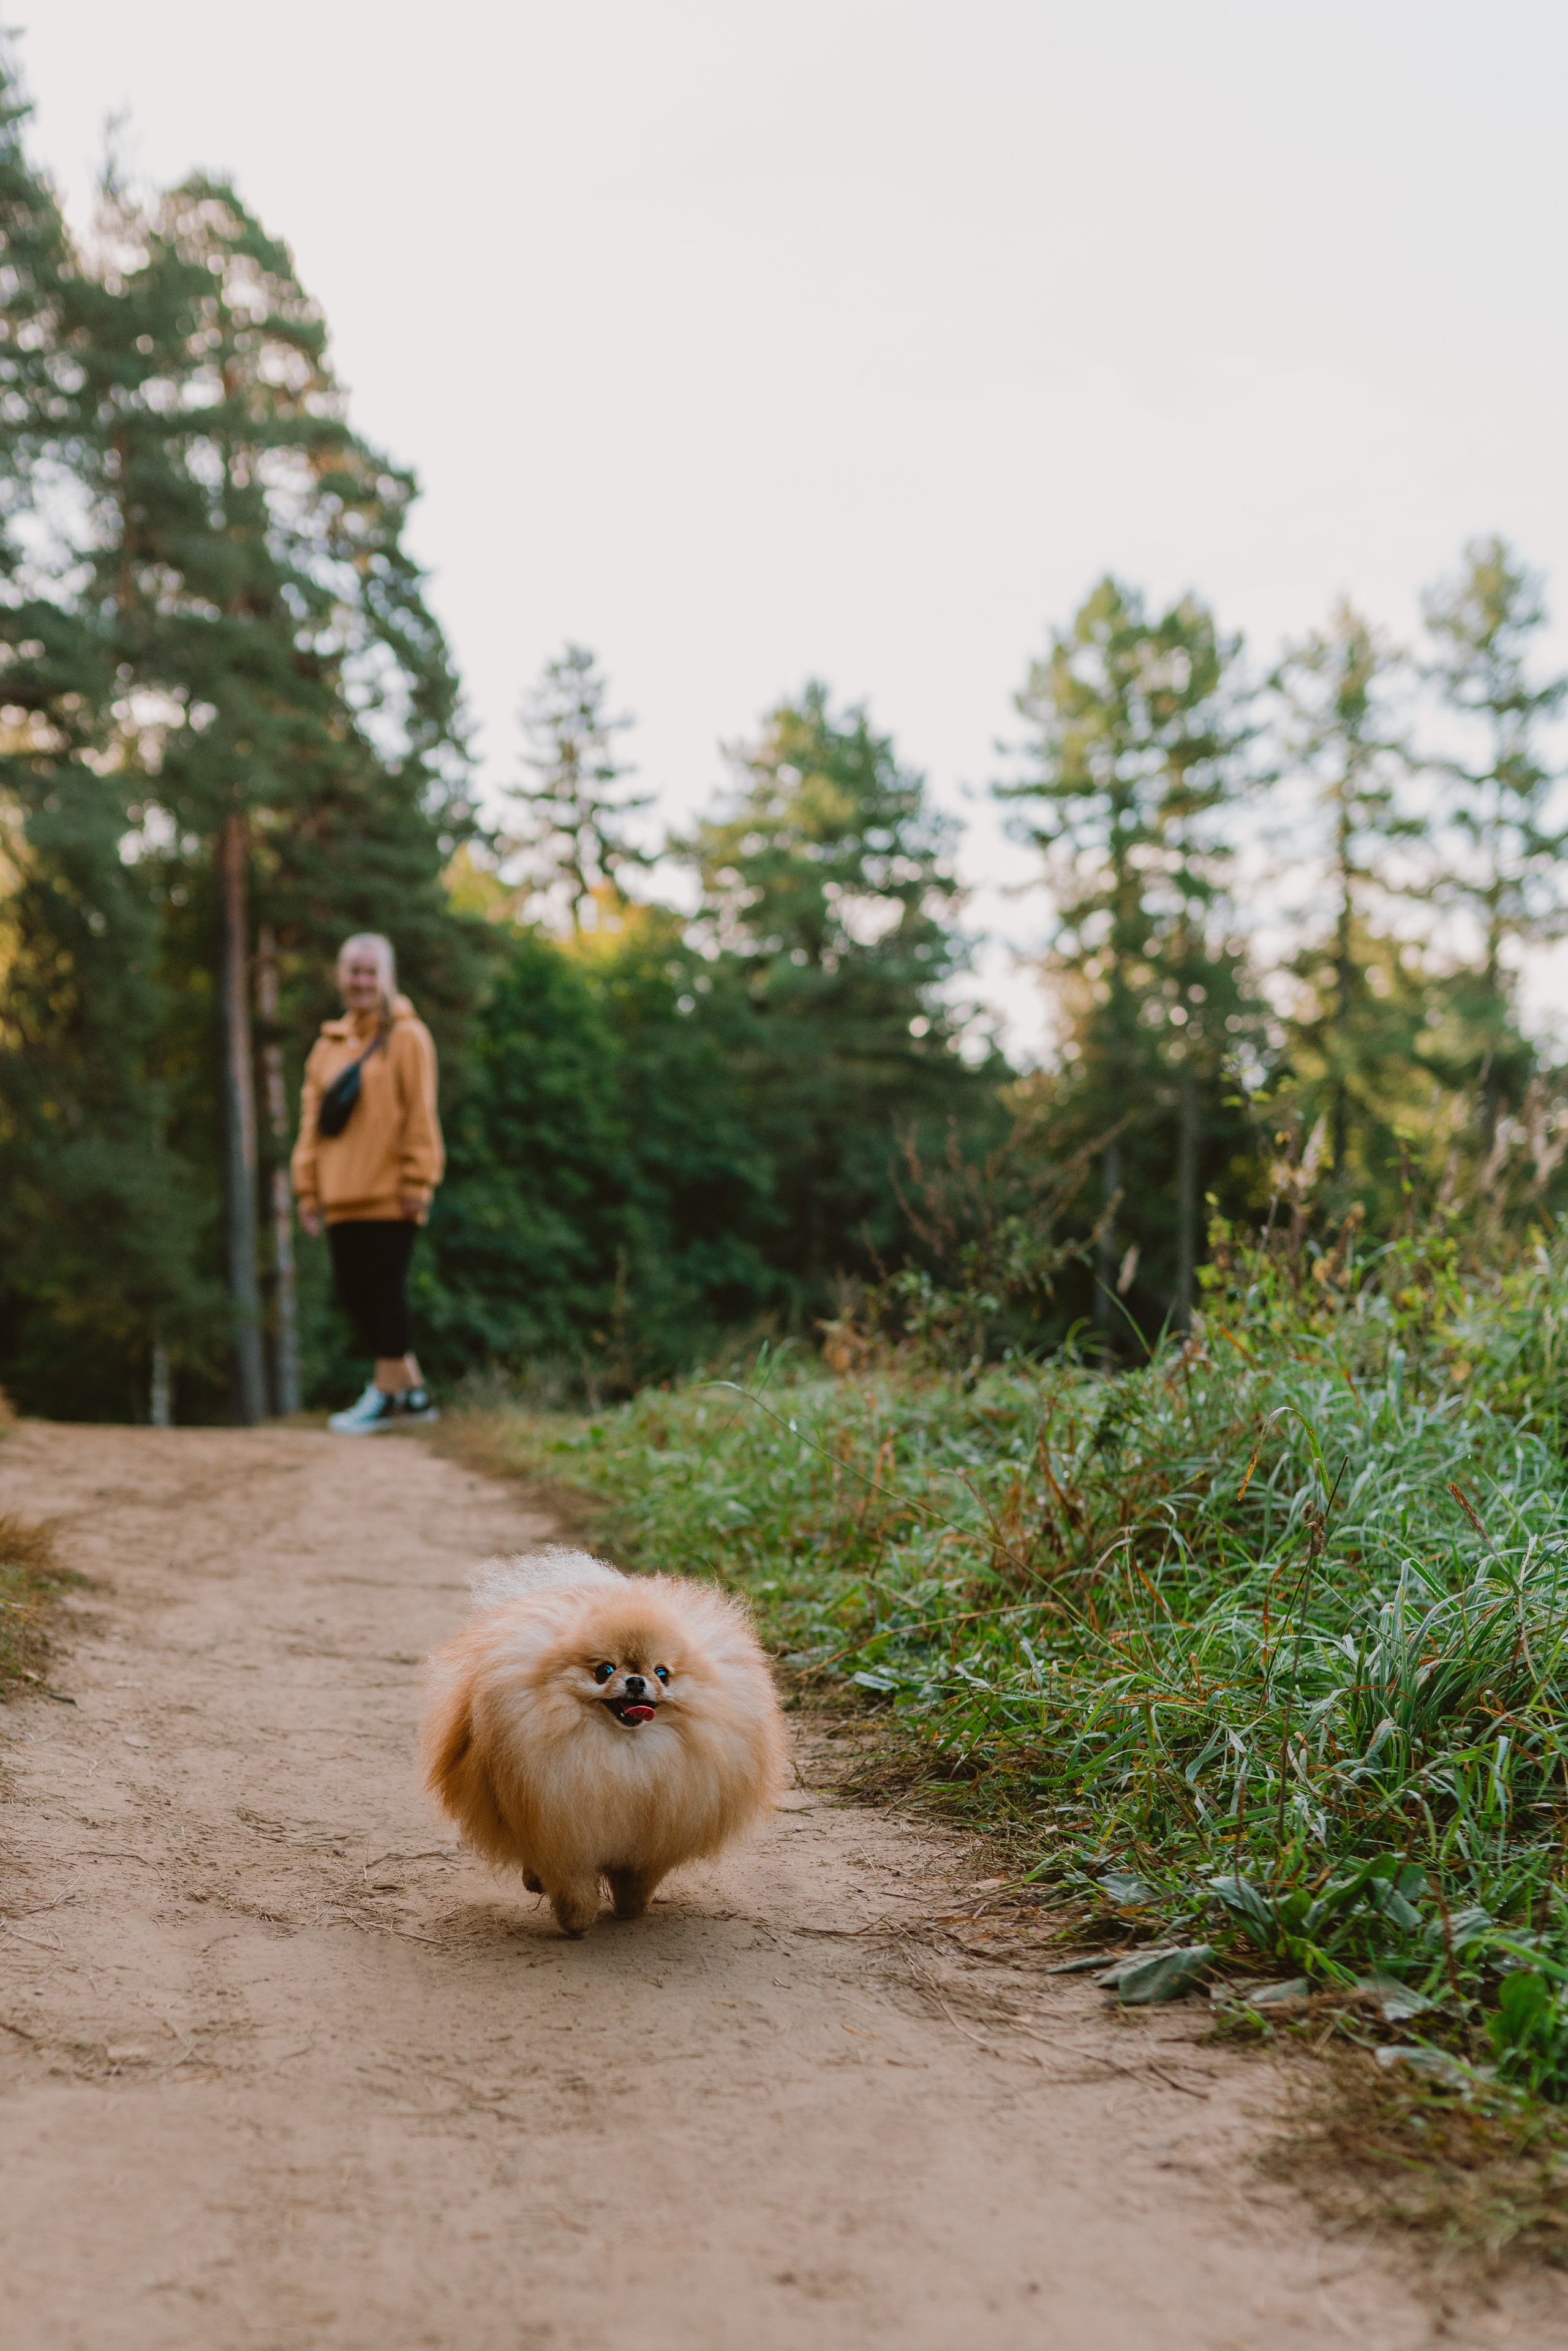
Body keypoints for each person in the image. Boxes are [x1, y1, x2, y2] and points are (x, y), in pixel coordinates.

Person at [291, 934, 445, 1433]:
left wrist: (418, 1180)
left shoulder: (408, 1037)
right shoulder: (327, 1047)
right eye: (353, 971)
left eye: (369, 971)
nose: (360, 981)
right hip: (340, 1194)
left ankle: (384, 1396)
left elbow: (420, 1114)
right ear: (340, 977)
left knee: (385, 1292)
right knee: (355, 1295)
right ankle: (413, 1394)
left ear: (387, 978)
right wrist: (307, 1190)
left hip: (390, 1191)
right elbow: (311, 1125)